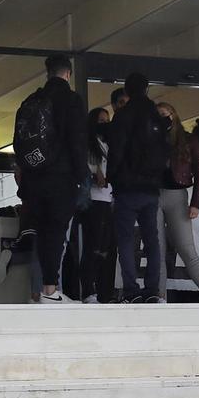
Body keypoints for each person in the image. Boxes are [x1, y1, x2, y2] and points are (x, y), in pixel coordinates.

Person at [13, 55, 88, 303]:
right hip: (61, 177)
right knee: (56, 231)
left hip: (35, 178)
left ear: (47, 73)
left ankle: (41, 291)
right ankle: (49, 289)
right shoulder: (72, 100)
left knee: (41, 230)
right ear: (68, 73)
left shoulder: (31, 100)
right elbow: (77, 141)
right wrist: (81, 176)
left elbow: (19, 143)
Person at [108, 73, 169, 303]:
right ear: (147, 89)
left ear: (127, 90)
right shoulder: (155, 116)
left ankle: (131, 291)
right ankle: (152, 289)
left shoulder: (122, 117)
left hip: (126, 187)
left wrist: (115, 178)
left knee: (125, 240)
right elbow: (164, 151)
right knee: (151, 239)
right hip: (151, 187)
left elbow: (116, 152)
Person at [156, 101, 199, 303]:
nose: (162, 118)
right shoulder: (152, 137)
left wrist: (195, 203)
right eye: (159, 115)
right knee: (158, 250)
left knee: (186, 248)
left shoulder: (188, 140)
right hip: (155, 194)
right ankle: (160, 297)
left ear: (173, 115)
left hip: (177, 195)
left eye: (165, 114)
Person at [81, 105, 118, 302]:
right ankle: (89, 288)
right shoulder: (89, 144)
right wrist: (97, 173)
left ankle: (104, 290)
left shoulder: (108, 144)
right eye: (100, 121)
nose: (104, 125)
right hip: (94, 200)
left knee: (106, 247)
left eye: (107, 121)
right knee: (93, 245)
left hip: (108, 199)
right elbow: (89, 167)